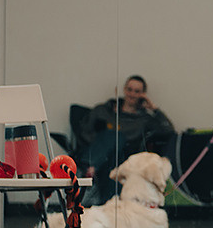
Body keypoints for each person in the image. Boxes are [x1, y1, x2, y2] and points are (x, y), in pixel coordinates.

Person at [75, 75, 175, 203]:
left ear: (143, 95)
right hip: (98, 154)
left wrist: (154, 109)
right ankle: (94, 170)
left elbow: (169, 131)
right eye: (129, 89)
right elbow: (84, 131)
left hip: (123, 160)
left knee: (118, 139)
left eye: (137, 91)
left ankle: (89, 170)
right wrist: (104, 145)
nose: (132, 94)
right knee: (112, 139)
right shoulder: (104, 110)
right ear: (124, 90)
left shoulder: (144, 119)